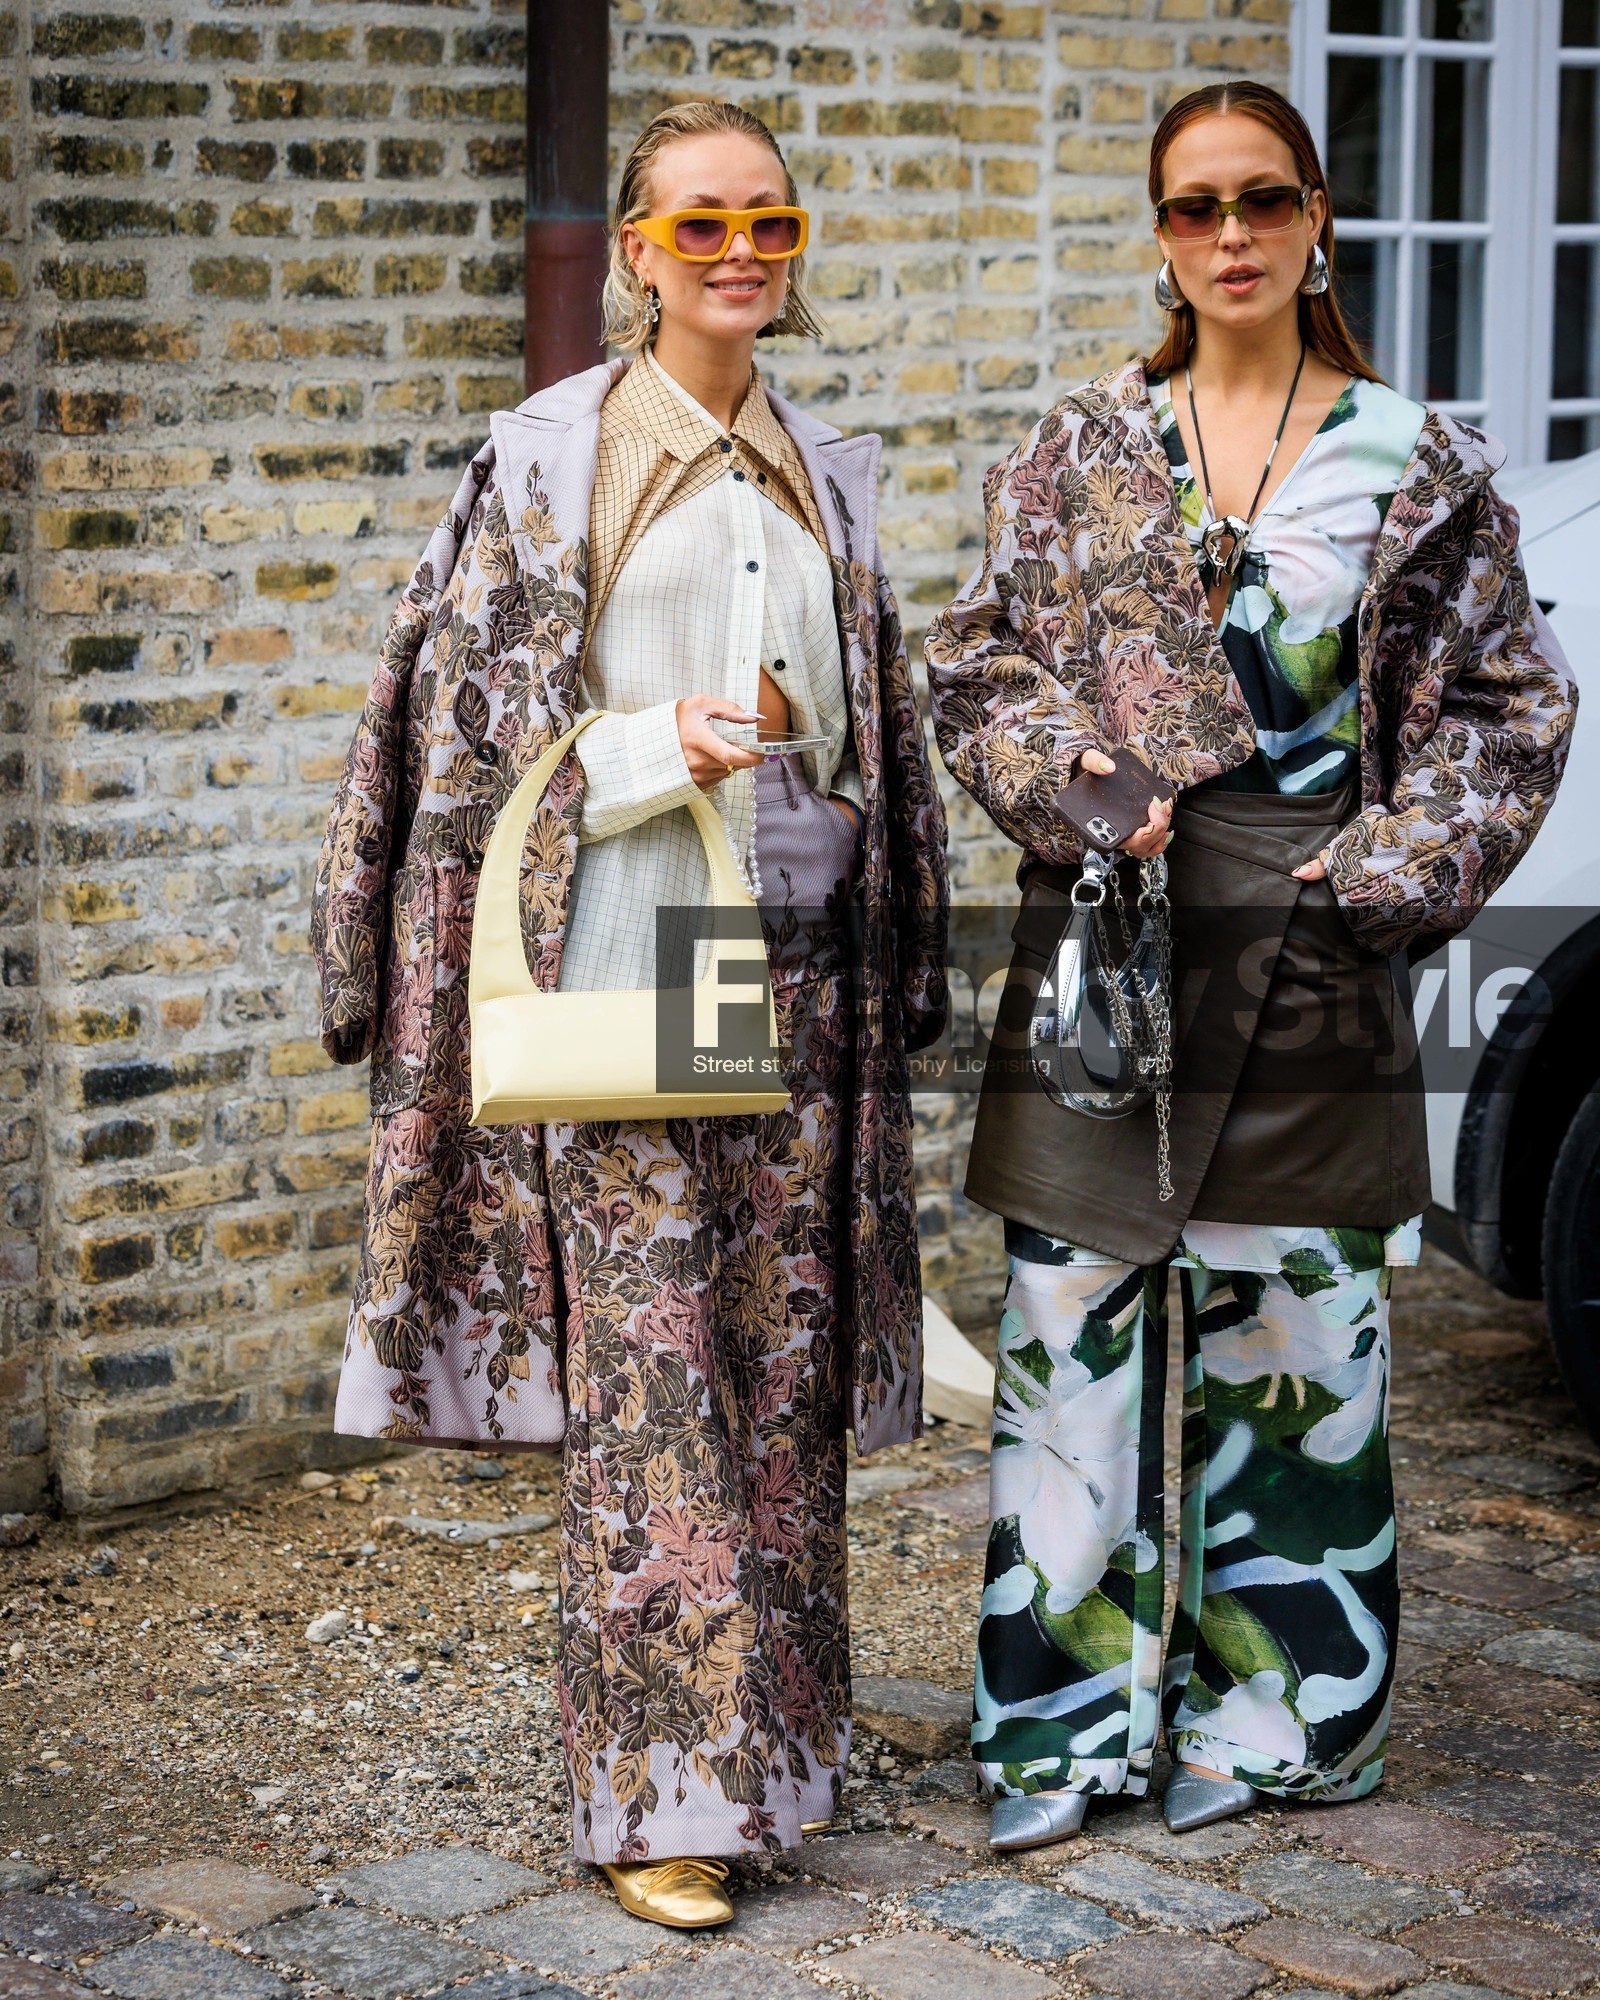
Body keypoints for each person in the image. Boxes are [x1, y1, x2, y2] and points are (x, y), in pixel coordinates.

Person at [311, 100, 948, 1926]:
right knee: (660, 1382)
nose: (741, 251)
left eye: (772, 219)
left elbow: (872, 728)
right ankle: (653, 1803)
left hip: (803, 977)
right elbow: (460, 741)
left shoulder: (830, 466)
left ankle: (778, 1767)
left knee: (780, 1372)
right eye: (703, 225)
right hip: (637, 950)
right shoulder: (549, 461)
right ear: (639, 253)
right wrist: (660, 744)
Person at [926, 79, 1576, 1849]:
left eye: (1265, 201)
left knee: (1301, 1330)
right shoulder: (1075, 452)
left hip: (1307, 945)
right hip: (1107, 951)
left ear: (1316, 224)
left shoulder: (1407, 457)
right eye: (1197, 206)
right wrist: (1070, 776)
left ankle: (1282, 1721)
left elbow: (1515, 708)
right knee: (1069, 1336)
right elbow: (971, 666)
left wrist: (1375, 876)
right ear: (1159, 232)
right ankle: (1060, 1733)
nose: (1231, 235)